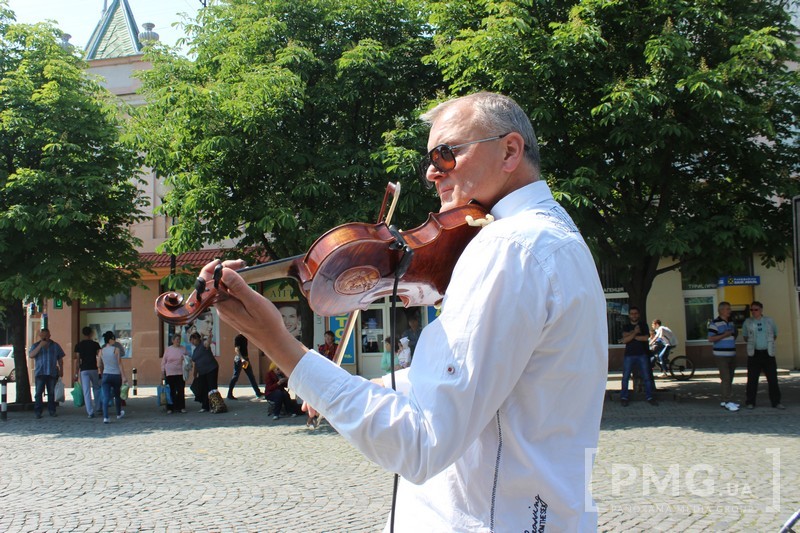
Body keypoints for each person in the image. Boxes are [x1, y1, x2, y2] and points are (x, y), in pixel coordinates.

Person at [196, 92, 608, 530]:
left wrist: (277, 343)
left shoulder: (508, 248)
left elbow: (423, 443)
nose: (432, 172)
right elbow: (462, 384)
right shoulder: (556, 236)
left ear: (509, 150)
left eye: (446, 154)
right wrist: (331, 385)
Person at [742, 301, 784, 410]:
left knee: (772, 379)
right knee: (752, 379)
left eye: (756, 309)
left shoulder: (769, 321)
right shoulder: (747, 322)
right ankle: (750, 402)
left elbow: (774, 334)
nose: (753, 312)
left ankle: (776, 402)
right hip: (754, 354)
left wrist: (767, 344)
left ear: (761, 310)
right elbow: (745, 336)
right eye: (751, 310)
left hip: (767, 353)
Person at [619, 307, 658, 406]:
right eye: (632, 313)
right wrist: (636, 333)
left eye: (636, 313)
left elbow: (645, 338)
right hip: (629, 355)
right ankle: (624, 397)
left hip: (642, 354)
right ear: (629, 315)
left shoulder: (643, 325)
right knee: (625, 377)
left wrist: (631, 336)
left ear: (639, 314)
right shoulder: (626, 326)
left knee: (647, 377)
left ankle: (650, 397)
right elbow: (624, 340)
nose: (634, 315)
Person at [708, 301, 740, 412]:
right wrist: (724, 335)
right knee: (726, 378)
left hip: (732, 354)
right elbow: (711, 338)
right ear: (721, 310)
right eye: (727, 309)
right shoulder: (715, 323)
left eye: (729, 309)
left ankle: (724, 399)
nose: (730, 311)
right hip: (720, 355)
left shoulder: (731, 322)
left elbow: (733, 335)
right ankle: (727, 401)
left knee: (729, 378)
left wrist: (733, 334)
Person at [28, 328, 66, 419]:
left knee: (51, 393)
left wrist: (61, 370)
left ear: (49, 335)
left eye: (46, 335)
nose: (45, 337)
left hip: (51, 372)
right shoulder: (36, 345)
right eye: (43, 335)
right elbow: (31, 355)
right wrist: (40, 346)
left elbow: (60, 359)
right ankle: (38, 411)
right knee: (38, 393)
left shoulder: (55, 345)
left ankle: (52, 410)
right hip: (40, 372)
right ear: (40, 336)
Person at [99, 331, 128, 424]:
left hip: (106, 375)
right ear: (110, 339)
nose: (114, 341)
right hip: (116, 375)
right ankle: (119, 414)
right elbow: (119, 363)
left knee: (106, 396)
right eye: (113, 339)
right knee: (117, 395)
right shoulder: (116, 350)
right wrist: (123, 376)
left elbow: (99, 364)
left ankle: (106, 417)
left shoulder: (101, 351)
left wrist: (102, 373)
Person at [74, 326, 102, 418]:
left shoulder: (79, 345)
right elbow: (99, 357)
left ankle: (90, 411)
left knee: (86, 391)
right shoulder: (95, 344)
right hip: (93, 368)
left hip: (84, 369)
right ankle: (98, 407)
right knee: (96, 388)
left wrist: (76, 372)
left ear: (83, 333)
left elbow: (77, 360)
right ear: (91, 334)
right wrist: (100, 368)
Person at [227, 334, 264, 401]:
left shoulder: (245, 336)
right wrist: (242, 359)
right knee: (235, 377)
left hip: (245, 359)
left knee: (251, 376)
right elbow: (236, 349)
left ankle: (258, 393)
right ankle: (229, 394)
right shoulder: (238, 337)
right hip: (240, 360)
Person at [190, 331, 219, 412]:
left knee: (212, 387)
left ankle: (215, 405)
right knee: (203, 388)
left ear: (198, 339)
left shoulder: (203, 344)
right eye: (191, 340)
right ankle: (205, 406)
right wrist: (195, 372)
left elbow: (208, 342)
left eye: (194, 339)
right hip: (202, 372)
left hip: (211, 369)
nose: (192, 341)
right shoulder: (195, 350)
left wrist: (210, 337)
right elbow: (196, 362)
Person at [162, 334, 188, 414]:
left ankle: (181, 407)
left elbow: (188, 359)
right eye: (176, 339)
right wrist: (163, 372)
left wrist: (185, 358)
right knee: (171, 391)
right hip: (170, 373)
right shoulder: (168, 349)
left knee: (180, 390)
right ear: (172, 340)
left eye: (179, 339)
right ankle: (170, 408)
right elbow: (163, 361)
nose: (178, 341)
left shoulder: (183, 349)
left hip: (180, 373)